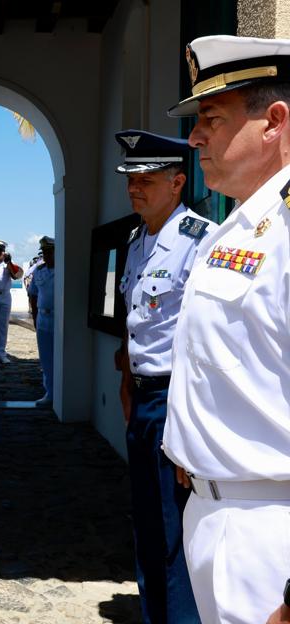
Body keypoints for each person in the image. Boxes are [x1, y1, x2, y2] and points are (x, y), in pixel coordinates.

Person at [161, 35, 290, 624]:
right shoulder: (229, 230)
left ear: (275, 123)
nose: (194, 137)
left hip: (271, 531)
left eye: (210, 118)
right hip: (211, 513)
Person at [115, 129, 217, 624]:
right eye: (132, 179)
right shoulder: (137, 242)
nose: (135, 188)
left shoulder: (200, 240)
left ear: (177, 182)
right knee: (149, 529)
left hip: (176, 401)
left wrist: (188, 426)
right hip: (144, 400)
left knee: (176, 532)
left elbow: (206, 339)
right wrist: (126, 380)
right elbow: (136, 324)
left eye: (147, 179)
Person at [27, 236, 54, 407]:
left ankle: (60, 391)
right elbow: (33, 294)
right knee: (45, 358)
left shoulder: (63, 269)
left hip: (58, 317)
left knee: (59, 356)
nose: (45, 255)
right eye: (43, 252)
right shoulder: (39, 271)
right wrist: (35, 318)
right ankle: (50, 392)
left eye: (48, 252)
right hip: (43, 317)